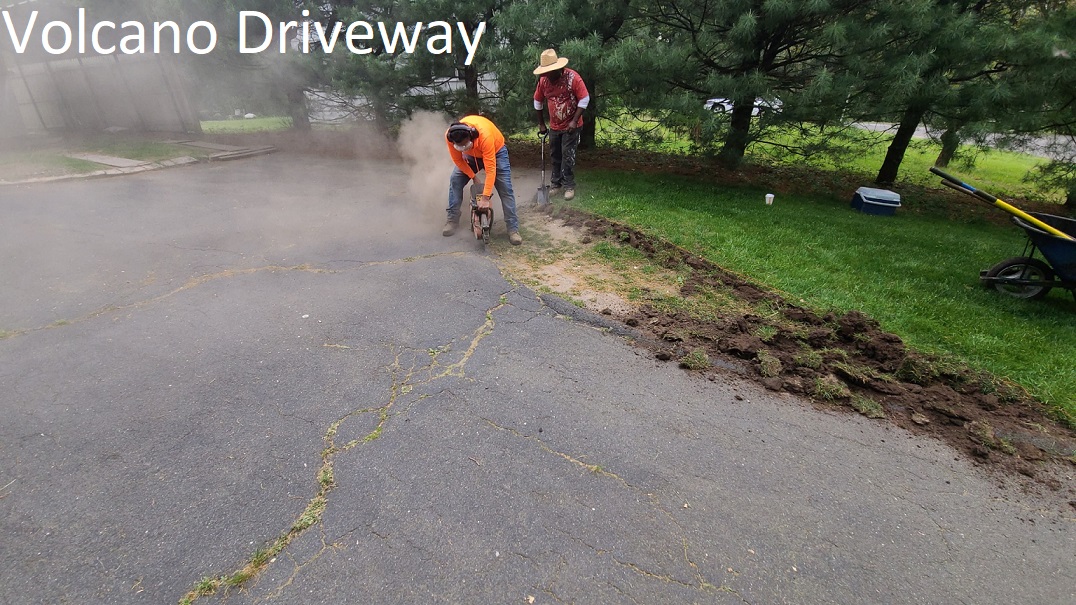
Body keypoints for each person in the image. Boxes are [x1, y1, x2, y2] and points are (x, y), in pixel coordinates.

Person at [443, 115, 522, 245]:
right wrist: (473, 176)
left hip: (496, 152)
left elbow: (491, 170)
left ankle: (513, 229)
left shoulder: (485, 136)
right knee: (455, 180)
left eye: (465, 145)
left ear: (471, 136)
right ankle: (452, 220)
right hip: (471, 156)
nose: (463, 148)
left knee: (506, 189)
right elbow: (458, 160)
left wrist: (485, 198)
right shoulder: (450, 136)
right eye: (460, 147)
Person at [533, 48, 590, 201]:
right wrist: (541, 124)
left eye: (550, 72)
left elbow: (584, 99)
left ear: (558, 68)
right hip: (554, 125)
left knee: (567, 155)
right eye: (545, 72)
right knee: (555, 154)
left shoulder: (573, 78)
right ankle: (555, 184)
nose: (547, 75)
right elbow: (537, 102)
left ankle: (569, 186)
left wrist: (574, 120)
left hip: (572, 125)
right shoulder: (543, 81)